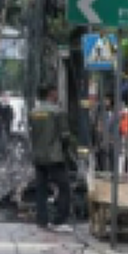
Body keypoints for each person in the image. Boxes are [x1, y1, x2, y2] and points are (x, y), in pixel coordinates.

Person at [28, 84, 72, 230]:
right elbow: (65, 136)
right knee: (64, 187)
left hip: (38, 157)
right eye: (56, 91)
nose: (58, 94)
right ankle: (59, 220)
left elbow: (32, 134)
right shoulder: (57, 112)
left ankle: (42, 220)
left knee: (41, 189)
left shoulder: (33, 112)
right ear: (51, 93)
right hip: (54, 157)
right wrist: (65, 152)